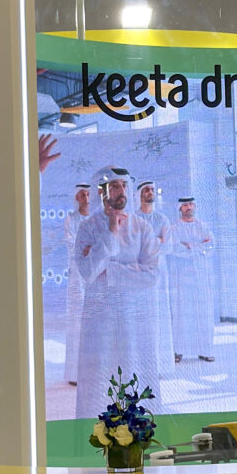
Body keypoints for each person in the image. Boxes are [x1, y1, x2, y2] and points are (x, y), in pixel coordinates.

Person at [71, 167, 164, 417]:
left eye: (123, 185)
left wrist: (109, 269)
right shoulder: (88, 228)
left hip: (134, 319)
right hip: (99, 320)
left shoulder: (142, 227)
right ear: (102, 192)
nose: (120, 191)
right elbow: (88, 272)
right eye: (114, 186)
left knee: (135, 373)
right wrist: (111, 232)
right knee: (100, 377)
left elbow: (152, 275)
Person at [165, 194, 217, 362]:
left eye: (190, 204)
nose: (188, 207)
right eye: (185, 205)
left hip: (201, 278)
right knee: (181, 313)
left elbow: (211, 246)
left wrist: (190, 246)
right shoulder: (174, 228)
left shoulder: (203, 226)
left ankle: (205, 350)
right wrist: (198, 247)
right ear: (180, 208)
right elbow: (175, 248)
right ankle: (178, 350)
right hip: (181, 278)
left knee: (203, 313)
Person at [56, 180, 92, 399]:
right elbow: (73, 246)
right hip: (77, 278)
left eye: (88, 194)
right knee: (78, 322)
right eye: (82, 195)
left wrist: (89, 248)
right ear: (76, 198)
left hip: (94, 276)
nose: (86, 198)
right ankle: (76, 373)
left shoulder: (97, 218)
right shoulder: (71, 219)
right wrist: (87, 248)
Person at [135, 180, 175, 372]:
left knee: (160, 316)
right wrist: (156, 240)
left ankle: (161, 366)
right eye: (146, 190)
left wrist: (147, 242)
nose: (150, 192)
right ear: (139, 195)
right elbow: (131, 246)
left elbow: (168, 247)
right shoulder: (133, 219)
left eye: (152, 189)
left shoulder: (162, 219)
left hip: (159, 274)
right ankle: (141, 365)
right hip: (139, 273)